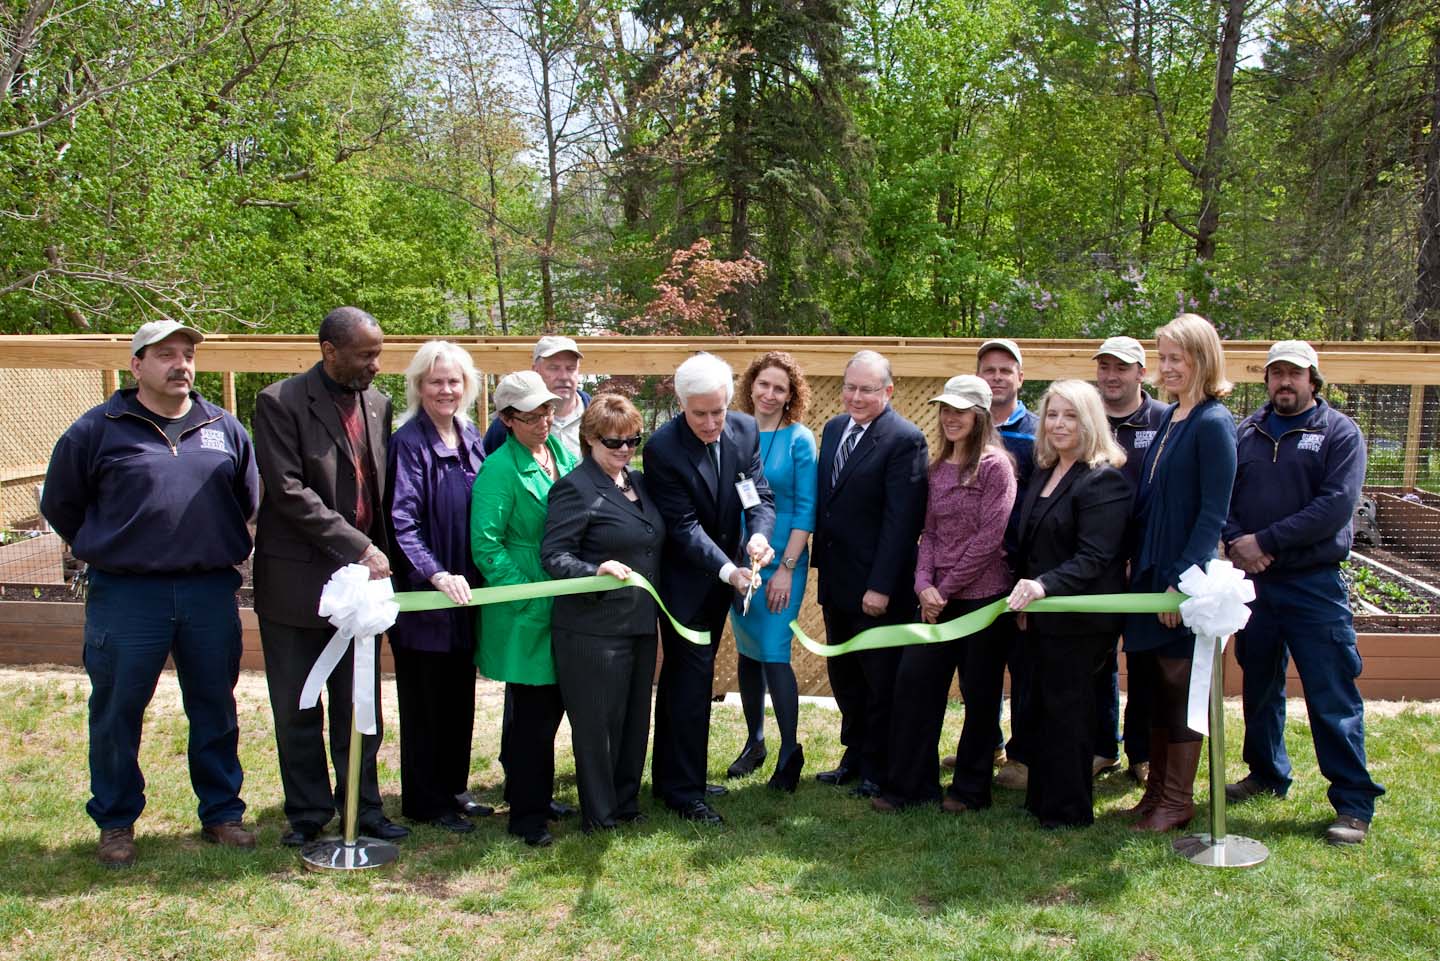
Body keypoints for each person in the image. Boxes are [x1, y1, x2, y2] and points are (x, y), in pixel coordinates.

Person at [41, 320, 260, 867]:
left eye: (187, 354)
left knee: (215, 704)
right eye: (166, 354)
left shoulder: (224, 427)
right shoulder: (98, 429)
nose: (181, 364)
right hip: (127, 594)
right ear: (136, 365)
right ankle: (116, 821)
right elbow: (61, 503)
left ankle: (221, 813)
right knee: (117, 710)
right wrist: (107, 544)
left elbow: (247, 498)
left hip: (209, 590)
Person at [252, 307, 409, 846]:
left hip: (363, 585)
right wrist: (359, 545)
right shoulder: (279, 403)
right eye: (366, 354)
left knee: (360, 701)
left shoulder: (379, 404)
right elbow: (289, 491)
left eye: (378, 352)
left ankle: (363, 806)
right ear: (329, 350)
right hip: (298, 585)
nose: (376, 364)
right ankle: (307, 814)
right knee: (299, 704)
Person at [1222, 340, 1385, 845]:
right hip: (1256, 585)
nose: (1284, 383)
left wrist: (1265, 542)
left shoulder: (1339, 433)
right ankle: (1267, 773)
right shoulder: (1245, 432)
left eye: (1294, 374)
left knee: (1331, 692)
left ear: (1314, 379)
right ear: (1266, 380)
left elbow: (1335, 506)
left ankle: (1353, 802)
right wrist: (1235, 542)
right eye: (1276, 374)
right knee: (1259, 683)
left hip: (1314, 584)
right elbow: (1222, 495)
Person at [643, 352, 775, 824]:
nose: (711, 422)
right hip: (683, 584)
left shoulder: (743, 429)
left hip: (727, 575)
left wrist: (758, 535)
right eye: (699, 413)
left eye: (717, 411)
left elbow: (758, 493)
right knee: (689, 682)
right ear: (681, 405)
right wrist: (729, 570)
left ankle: (678, 778)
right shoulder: (662, 448)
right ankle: (684, 792)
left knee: (691, 682)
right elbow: (682, 527)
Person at [872, 375, 1013, 813]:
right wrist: (923, 586)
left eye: (961, 411)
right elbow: (929, 533)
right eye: (945, 410)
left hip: (983, 600)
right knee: (914, 685)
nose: (951, 418)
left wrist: (945, 589)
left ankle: (970, 790)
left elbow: (990, 538)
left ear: (981, 416)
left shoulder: (996, 467)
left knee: (980, 694)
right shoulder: (937, 468)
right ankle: (910, 786)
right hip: (935, 600)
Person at [1124, 313, 1237, 833]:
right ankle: (1154, 793)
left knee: (1177, 685)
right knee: (1150, 682)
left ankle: (1178, 799)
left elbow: (1213, 512)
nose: (1166, 367)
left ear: (1202, 360)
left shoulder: (1213, 423)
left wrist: (1180, 584)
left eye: (1176, 358)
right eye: (1162, 357)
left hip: (1180, 582)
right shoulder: (1169, 418)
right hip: (1149, 575)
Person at [1006, 381, 1132, 828]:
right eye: (1053, 415)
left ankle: (1069, 809)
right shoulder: (1045, 470)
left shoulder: (1104, 478)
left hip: (1081, 619)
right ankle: (1043, 800)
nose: (1059, 424)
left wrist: (1042, 586)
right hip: (1042, 616)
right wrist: (1027, 598)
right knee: (1040, 706)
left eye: (1070, 415)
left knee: (1069, 711)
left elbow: (1096, 557)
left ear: (1091, 421)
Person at [542, 395, 665, 832]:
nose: (625, 450)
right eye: (615, 442)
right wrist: (595, 570)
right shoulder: (574, 488)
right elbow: (554, 555)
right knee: (597, 726)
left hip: (639, 624)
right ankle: (600, 814)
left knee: (634, 720)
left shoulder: (640, 482)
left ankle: (626, 802)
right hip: (591, 630)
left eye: (633, 440)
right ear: (590, 439)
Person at [385, 340, 491, 834]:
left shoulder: (472, 436)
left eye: (453, 381)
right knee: (425, 701)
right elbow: (402, 521)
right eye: (435, 381)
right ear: (419, 387)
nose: (445, 390)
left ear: (466, 385)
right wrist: (434, 572)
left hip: (467, 597)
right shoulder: (409, 442)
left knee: (458, 696)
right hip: (427, 596)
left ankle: (454, 788)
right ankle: (426, 801)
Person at [812, 350, 928, 796]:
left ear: (888, 391)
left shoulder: (905, 439)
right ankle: (854, 755)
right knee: (846, 677)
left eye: (867, 389)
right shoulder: (835, 428)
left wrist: (879, 586)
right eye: (850, 387)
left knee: (881, 681)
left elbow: (902, 523)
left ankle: (879, 767)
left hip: (878, 589)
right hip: (837, 581)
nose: (856, 397)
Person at [471, 370, 579, 847]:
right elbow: (486, 547)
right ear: (507, 419)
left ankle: (528, 793)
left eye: (548, 411)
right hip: (524, 605)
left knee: (538, 708)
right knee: (533, 712)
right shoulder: (498, 470)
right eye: (532, 415)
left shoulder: (562, 453)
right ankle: (527, 817)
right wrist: (528, 593)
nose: (544, 421)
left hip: (560, 597)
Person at [725, 351, 816, 792]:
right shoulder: (734, 431)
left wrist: (785, 568)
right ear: (751, 386)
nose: (769, 393)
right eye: (763, 384)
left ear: (790, 395)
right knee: (747, 651)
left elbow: (804, 508)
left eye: (780, 387)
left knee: (776, 653)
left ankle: (790, 750)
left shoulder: (800, 439)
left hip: (783, 564)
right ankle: (755, 742)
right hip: (740, 562)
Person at [1093, 335, 1168, 785]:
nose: (1111, 376)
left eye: (1121, 367)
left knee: (1144, 661)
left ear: (1142, 372)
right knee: (1097, 658)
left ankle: (1142, 750)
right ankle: (1103, 747)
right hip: (1096, 562)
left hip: (1145, 563)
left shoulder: (1165, 420)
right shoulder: (1087, 417)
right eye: (1104, 367)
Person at [975, 338, 1039, 790]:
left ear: (1020, 376)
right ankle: (987, 742)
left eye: (1005, 369)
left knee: (1024, 664)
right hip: (976, 570)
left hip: (1021, 566)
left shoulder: (1038, 431)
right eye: (989, 369)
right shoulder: (968, 427)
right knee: (982, 663)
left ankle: (1023, 754)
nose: (997, 376)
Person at [483, 336, 591, 457]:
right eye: (553, 368)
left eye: (571, 368)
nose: (564, 376)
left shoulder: (599, 419)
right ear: (535, 371)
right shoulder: (509, 424)